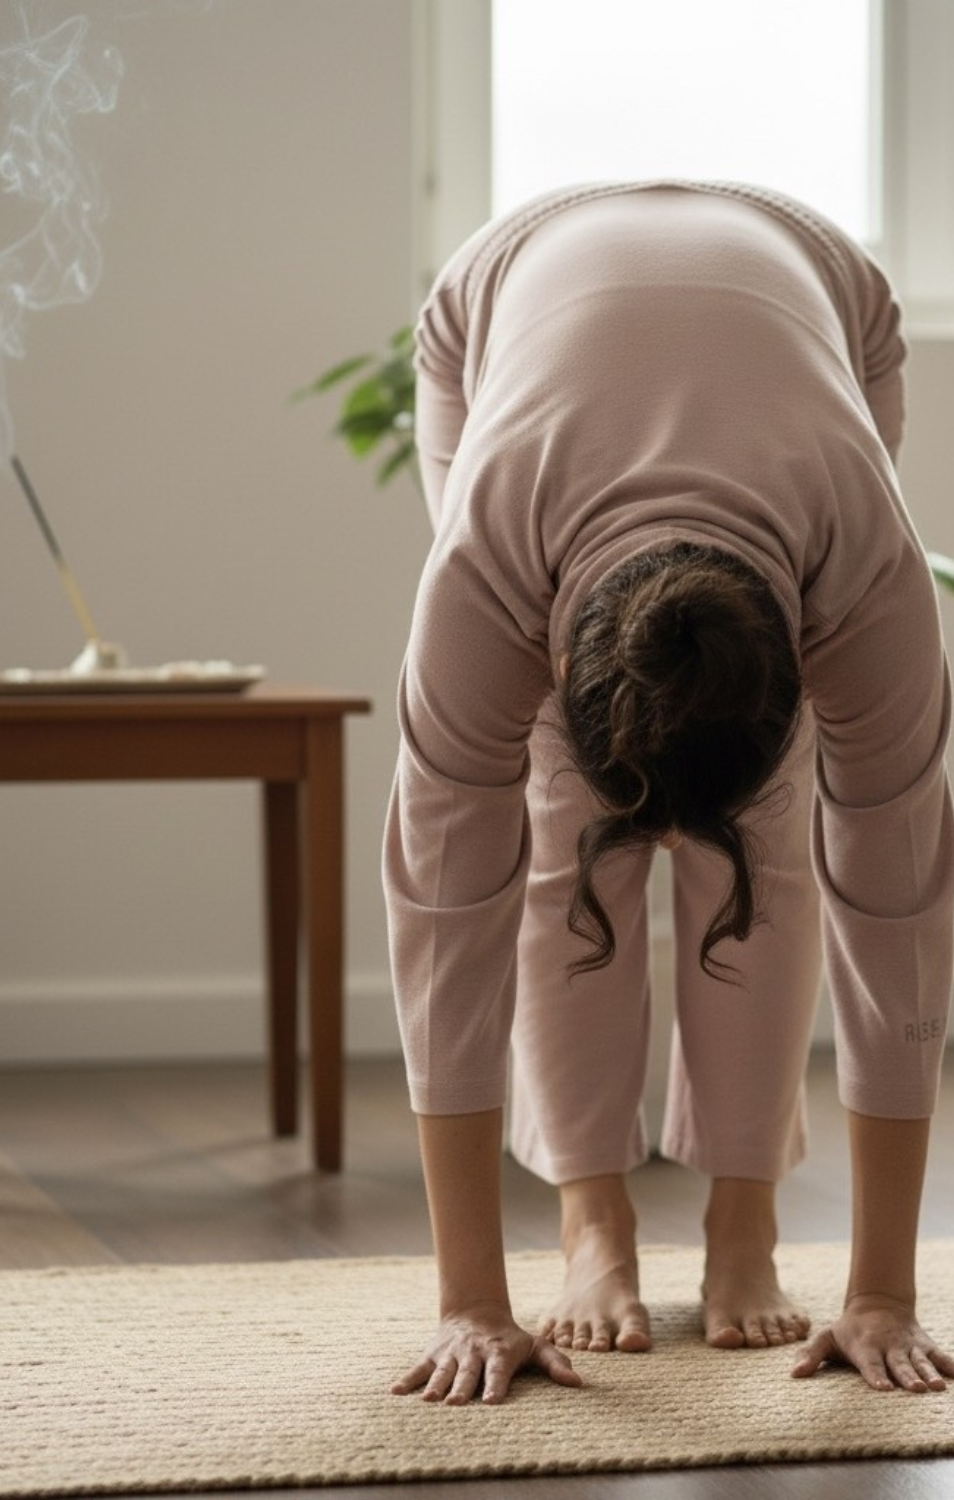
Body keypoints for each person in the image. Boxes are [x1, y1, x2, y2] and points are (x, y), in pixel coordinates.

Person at [383, 181, 954, 1405]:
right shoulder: (489, 575)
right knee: (560, 820)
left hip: (828, 304)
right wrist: (470, 1304)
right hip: (491, 313)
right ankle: (593, 1223)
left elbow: (897, 919)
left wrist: (882, 1293)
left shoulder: (865, 577)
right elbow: (444, 922)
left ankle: (741, 1221)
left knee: (766, 836)